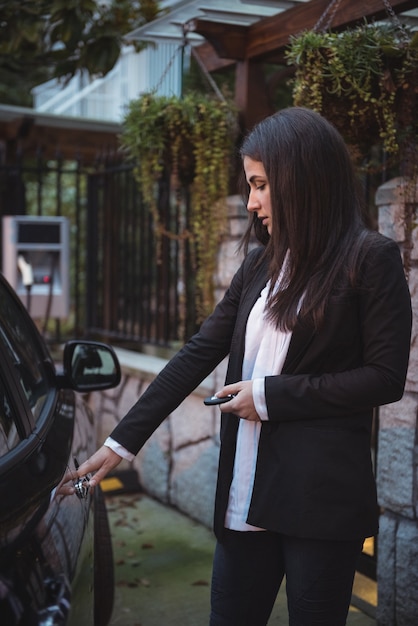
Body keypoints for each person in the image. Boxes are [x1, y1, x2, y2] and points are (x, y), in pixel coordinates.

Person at [60, 107, 412, 625]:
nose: (251, 202)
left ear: (303, 178)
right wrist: (120, 444)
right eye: (250, 185)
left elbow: (384, 378)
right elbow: (198, 352)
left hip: (319, 500)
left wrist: (268, 397)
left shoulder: (370, 258)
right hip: (244, 490)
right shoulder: (260, 263)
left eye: (261, 184)